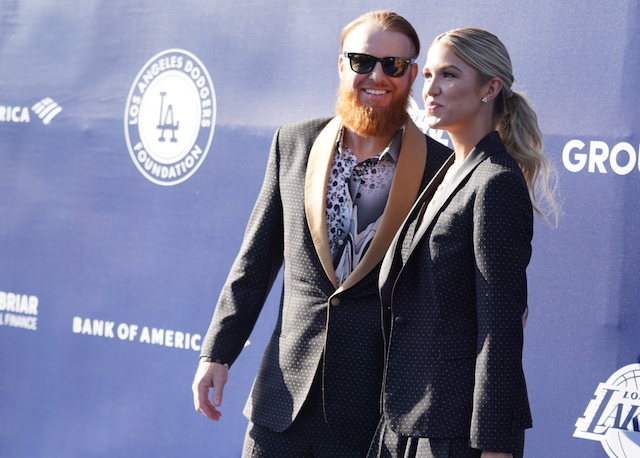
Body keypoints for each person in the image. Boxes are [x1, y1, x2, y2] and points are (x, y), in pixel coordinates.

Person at [192, 11, 452, 457]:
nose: (376, 76)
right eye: (362, 61)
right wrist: (216, 352)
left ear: (411, 74)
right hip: (281, 402)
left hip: (372, 415)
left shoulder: (440, 168)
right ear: (340, 66)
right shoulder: (293, 143)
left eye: (392, 65)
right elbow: (255, 260)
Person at [370, 28, 558, 458]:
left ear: (490, 88)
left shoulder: (495, 183)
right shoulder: (451, 170)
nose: (430, 89)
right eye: (429, 75)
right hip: (407, 418)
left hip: (456, 433)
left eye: (449, 75)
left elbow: (500, 327)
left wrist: (493, 446)